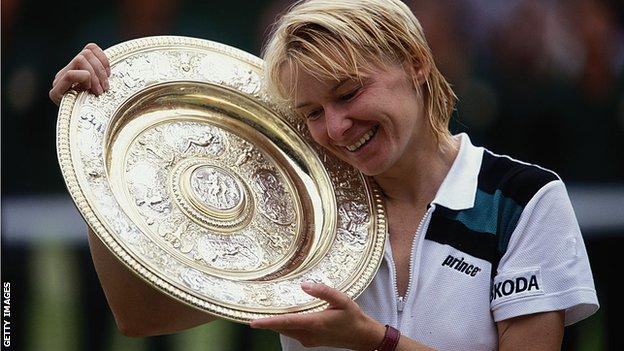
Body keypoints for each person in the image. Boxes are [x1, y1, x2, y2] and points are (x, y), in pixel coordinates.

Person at [49, 0, 599, 350]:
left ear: (415, 63)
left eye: (349, 93)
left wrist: (372, 342)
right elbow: (140, 317)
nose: (335, 128)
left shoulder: (524, 200)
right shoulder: (302, 208)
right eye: (312, 112)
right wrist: (97, 154)